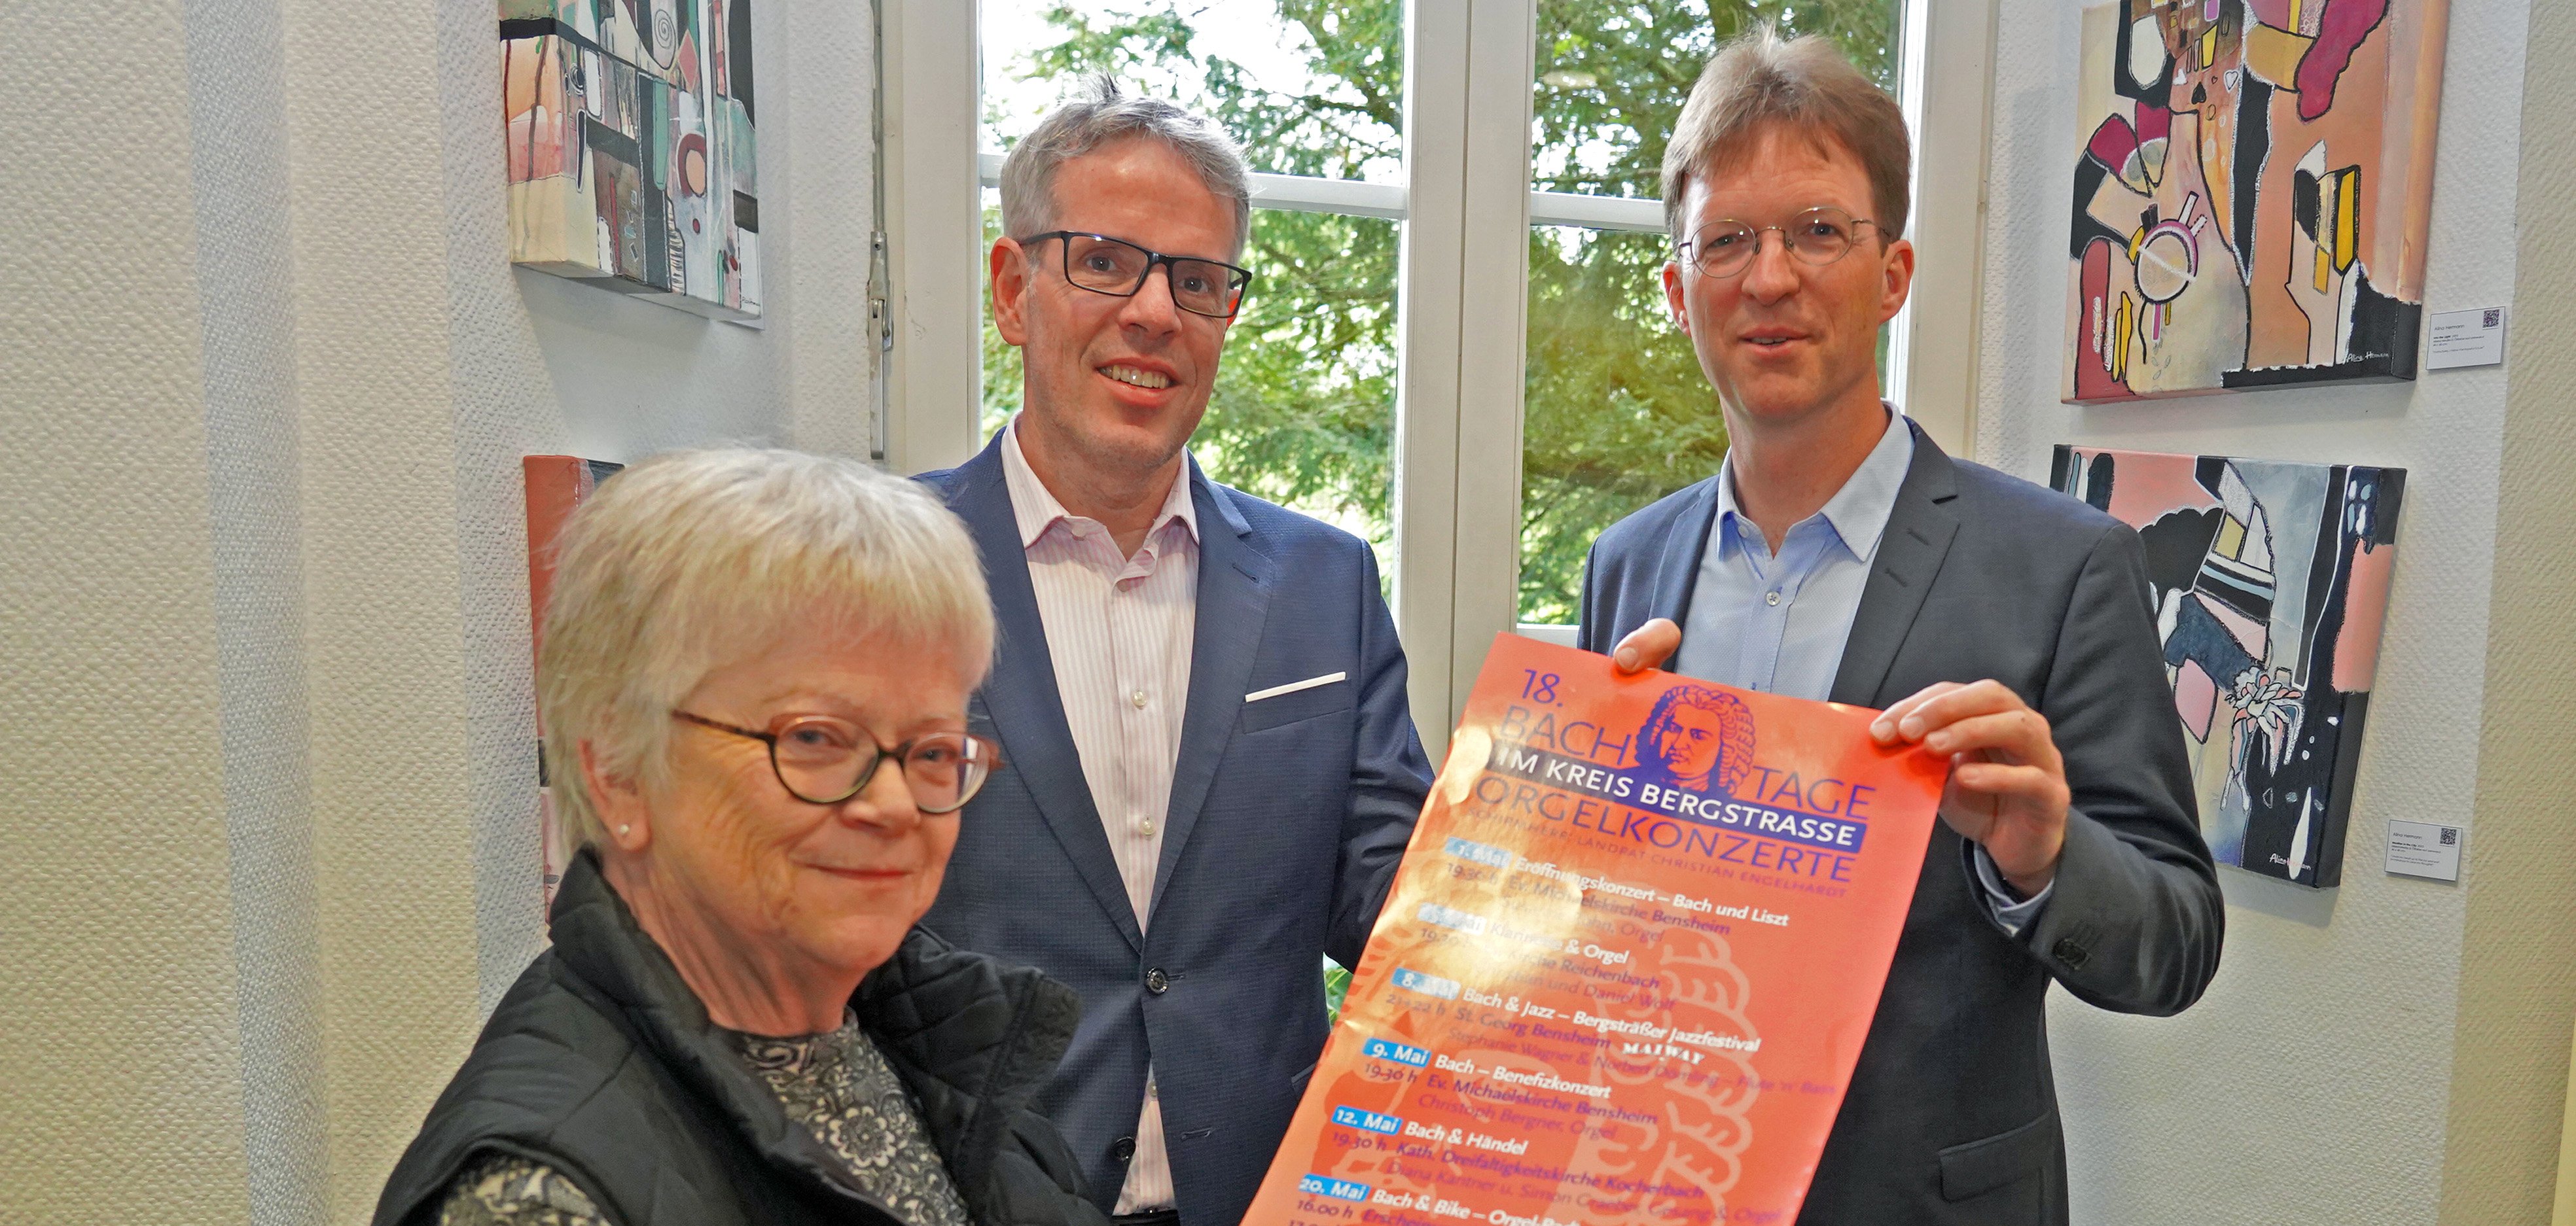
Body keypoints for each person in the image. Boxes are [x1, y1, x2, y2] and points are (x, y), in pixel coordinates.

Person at [1576, 31, 2224, 1225]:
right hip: (1664, 1185)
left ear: (1893, 274)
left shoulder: (2063, 564)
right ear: (1678, 293)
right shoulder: (1628, 569)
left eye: (1818, 229)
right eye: (1727, 240)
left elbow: (2175, 941)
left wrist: (2039, 854)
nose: (1769, 277)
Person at [918, 79, 1434, 1226]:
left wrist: (1584, 787)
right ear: (1013, 290)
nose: (1153, 312)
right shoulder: (882, 572)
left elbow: (1401, 901)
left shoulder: (1325, 581)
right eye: (1104, 260)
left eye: (1196, 281)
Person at [374, 450, 1110, 1226]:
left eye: (930, 750)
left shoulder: (929, 1040)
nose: (894, 804)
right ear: (618, 771)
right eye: (818, 739)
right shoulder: (535, 1199)